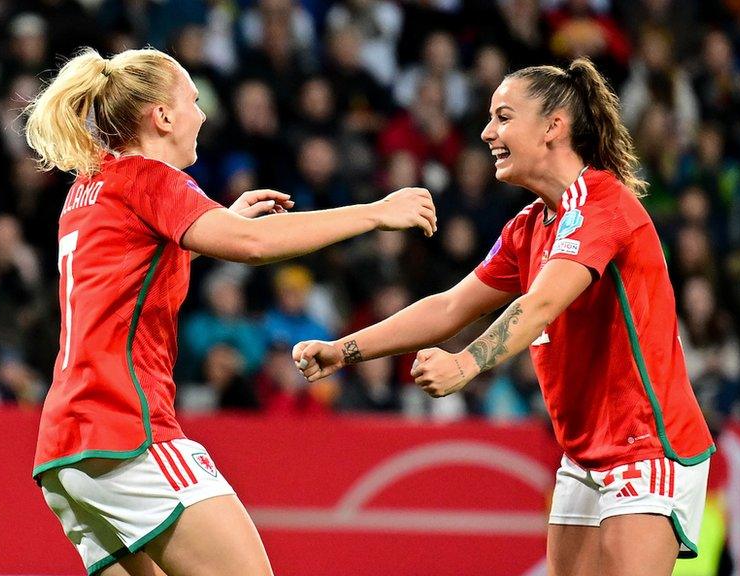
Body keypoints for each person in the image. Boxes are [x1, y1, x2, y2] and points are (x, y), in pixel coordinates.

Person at [22, 47, 436, 576]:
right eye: (193, 100)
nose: (202, 114)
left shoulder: (89, 187)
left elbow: (125, 274)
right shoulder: (151, 178)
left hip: (66, 448)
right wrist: (374, 213)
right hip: (127, 431)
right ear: (163, 116)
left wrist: (205, 229)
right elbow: (255, 244)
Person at [294, 57, 714, 576]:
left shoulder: (602, 203)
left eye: (503, 117)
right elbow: (449, 306)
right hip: (583, 455)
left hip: (648, 444)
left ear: (553, 128)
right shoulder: (530, 226)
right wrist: (344, 349)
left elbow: (539, 303)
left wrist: (466, 365)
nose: (487, 131)